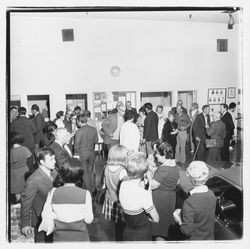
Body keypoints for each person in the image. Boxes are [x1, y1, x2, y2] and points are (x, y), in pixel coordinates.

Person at [39, 158, 94, 242]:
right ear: (80, 175)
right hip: (81, 238)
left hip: (59, 238)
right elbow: (89, 220)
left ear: (62, 174)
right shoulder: (85, 194)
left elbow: (46, 214)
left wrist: (58, 216)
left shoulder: (53, 192)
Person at [119, 152, 159, 241]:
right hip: (141, 234)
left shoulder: (123, 184)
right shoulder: (144, 193)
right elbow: (156, 219)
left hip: (127, 230)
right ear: (144, 172)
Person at [20, 148, 56, 242]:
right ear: (42, 162)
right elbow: (25, 202)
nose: (55, 161)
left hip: (54, 217)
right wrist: (25, 224)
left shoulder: (53, 172)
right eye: (51, 159)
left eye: (54, 158)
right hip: (41, 221)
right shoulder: (33, 180)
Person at [173, 161, 216, 240]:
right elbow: (202, 213)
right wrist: (183, 211)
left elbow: (186, 231)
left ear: (192, 180)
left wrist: (178, 219)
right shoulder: (211, 194)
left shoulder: (189, 202)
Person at [150, 141, 180, 240]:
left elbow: (153, 186)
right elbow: (177, 182)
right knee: (166, 222)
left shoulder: (163, 170)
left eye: (157, 153)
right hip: (170, 198)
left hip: (161, 201)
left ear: (163, 155)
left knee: (159, 226)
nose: (156, 156)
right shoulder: (174, 166)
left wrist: (148, 175)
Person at [102, 144, 128, 241]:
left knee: (118, 226)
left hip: (110, 199)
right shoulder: (122, 171)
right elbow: (126, 188)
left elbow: (105, 184)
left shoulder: (106, 167)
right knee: (124, 226)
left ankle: (118, 241)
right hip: (120, 201)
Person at [74, 114, 98, 194]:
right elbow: (96, 141)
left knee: (85, 173)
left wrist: (77, 154)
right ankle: (93, 189)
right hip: (91, 153)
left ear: (79, 121)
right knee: (91, 171)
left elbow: (76, 145)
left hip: (82, 154)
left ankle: (89, 191)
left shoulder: (78, 131)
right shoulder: (94, 129)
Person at [11, 107, 37, 171]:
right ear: (25, 113)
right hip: (30, 143)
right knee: (30, 159)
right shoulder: (30, 120)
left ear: (19, 113)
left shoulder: (14, 122)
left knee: (20, 160)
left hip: (19, 143)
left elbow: (11, 132)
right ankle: (29, 174)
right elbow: (35, 131)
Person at [10, 132, 32, 204]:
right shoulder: (24, 149)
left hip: (13, 175)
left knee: (17, 194)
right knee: (24, 191)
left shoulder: (9, 152)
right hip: (24, 172)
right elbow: (29, 156)